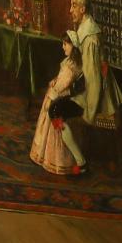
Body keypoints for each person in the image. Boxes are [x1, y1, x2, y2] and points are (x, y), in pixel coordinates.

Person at [27, 36, 87, 177]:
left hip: (74, 100)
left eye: (66, 44)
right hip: (69, 97)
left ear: (74, 46)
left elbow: (62, 86)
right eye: (63, 44)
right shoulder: (70, 62)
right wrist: (55, 80)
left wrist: (51, 97)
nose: (63, 47)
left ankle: (78, 161)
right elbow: (62, 81)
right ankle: (77, 160)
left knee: (53, 112)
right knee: (54, 114)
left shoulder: (71, 66)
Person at [68, 0, 122, 131]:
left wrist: (88, 117)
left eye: (74, 6)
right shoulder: (85, 28)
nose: (70, 10)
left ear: (83, 9)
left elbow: (93, 80)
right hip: (86, 89)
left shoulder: (90, 39)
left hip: (97, 102)